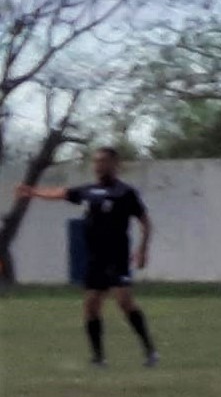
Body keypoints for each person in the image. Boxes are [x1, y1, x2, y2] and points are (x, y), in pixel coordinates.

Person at [15, 146, 158, 367]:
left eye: (103, 161)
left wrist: (142, 250)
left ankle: (150, 351)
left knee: (124, 301)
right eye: (96, 161)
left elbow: (145, 222)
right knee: (91, 305)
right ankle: (98, 358)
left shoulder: (125, 193)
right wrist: (33, 192)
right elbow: (62, 193)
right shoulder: (89, 191)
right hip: (95, 257)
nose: (98, 165)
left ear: (114, 164)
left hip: (117, 256)